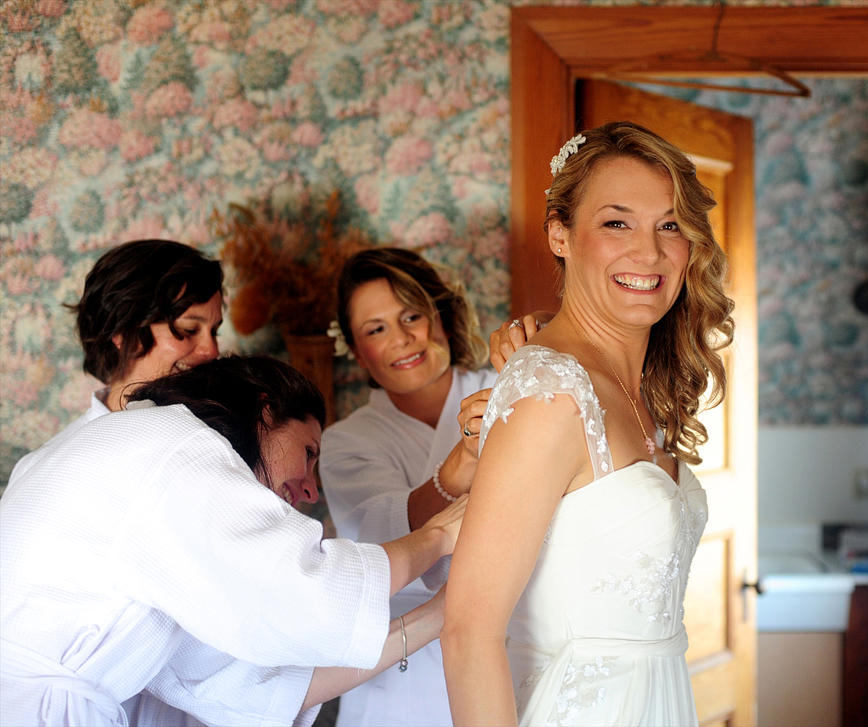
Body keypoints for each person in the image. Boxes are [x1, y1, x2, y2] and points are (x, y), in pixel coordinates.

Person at [441, 121, 735, 726]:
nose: (649, 253)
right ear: (560, 234)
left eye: (670, 225)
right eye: (617, 222)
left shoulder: (644, 387)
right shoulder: (551, 393)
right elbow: (468, 633)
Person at [0, 355, 466, 727]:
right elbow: (308, 591)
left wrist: (440, 612)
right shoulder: (174, 445)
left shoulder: (141, 463)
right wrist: (439, 535)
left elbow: (246, 684)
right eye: (307, 453)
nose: (310, 490)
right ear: (265, 410)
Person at [319, 248, 496, 727]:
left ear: (440, 314)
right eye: (376, 330)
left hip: (508, 641)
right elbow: (380, 536)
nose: (401, 339)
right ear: (357, 352)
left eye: (412, 316)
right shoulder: (345, 443)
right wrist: (457, 467)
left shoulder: (508, 388)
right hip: (403, 668)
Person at [8, 239, 229, 487]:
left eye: (215, 331)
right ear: (123, 333)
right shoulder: (44, 471)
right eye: (188, 329)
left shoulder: (227, 429)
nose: (211, 351)